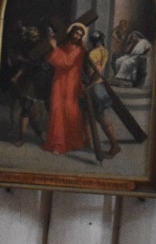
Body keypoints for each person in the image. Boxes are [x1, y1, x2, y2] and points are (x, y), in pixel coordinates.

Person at [41, 23, 87, 155]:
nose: (77, 36)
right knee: (57, 109)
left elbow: (66, 62)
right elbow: (51, 59)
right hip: (59, 82)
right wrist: (53, 47)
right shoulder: (63, 46)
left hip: (71, 83)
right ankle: (58, 143)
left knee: (70, 110)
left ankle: (72, 141)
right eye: (76, 33)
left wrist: (55, 48)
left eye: (80, 35)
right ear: (71, 32)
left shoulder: (79, 50)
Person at [86, 30, 120, 157]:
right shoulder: (104, 50)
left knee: (100, 117)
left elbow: (98, 71)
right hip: (99, 85)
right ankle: (88, 142)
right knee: (89, 115)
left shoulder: (92, 53)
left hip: (94, 87)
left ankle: (114, 145)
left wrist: (89, 85)